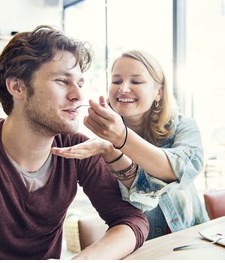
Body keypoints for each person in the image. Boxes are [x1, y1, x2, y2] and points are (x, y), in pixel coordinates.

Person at [0, 27, 149, 260]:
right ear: (18, 87)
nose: (78, 96)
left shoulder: (76, 149)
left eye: (80, 84)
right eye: (62, 81)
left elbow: (132, 220)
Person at [51, 49, 209, 240]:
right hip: (140, 248)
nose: (123, 88)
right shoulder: (100, 144)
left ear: (158, 92)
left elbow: (184, 169)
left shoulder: (182, 126)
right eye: (116, 81)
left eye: (136, 81)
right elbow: (134, 204)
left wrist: (121, 138)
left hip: (193, 238)